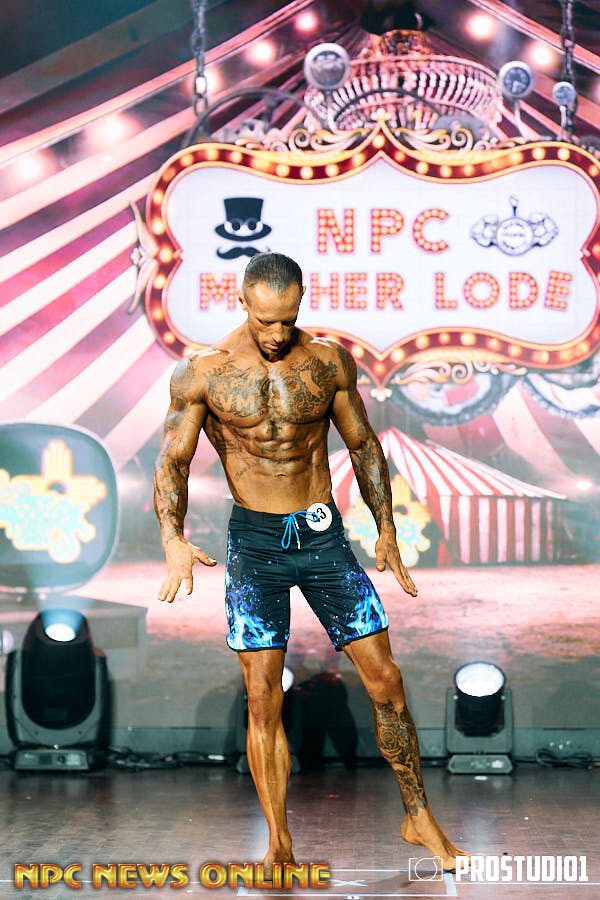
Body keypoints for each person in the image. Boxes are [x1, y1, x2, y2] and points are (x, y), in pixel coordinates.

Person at [153, 252, 470, 875]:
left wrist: (386, 528)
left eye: (287, 320)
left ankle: (417, 815)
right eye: (264, 321)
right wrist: (171, 537)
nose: (276, 334)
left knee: (386, 680)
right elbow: (173, 459)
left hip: (322, 537)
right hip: (255, 545)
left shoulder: (327, 363)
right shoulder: (205, 372)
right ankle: (279, 843)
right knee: (262, 697)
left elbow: (364, 443)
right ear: (243, 302)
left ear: (300, 302)